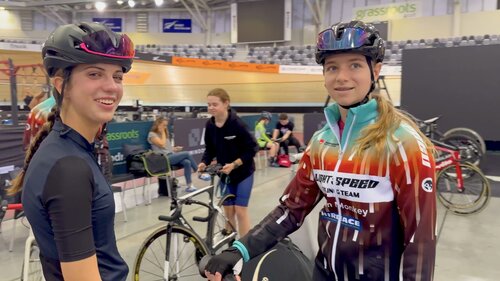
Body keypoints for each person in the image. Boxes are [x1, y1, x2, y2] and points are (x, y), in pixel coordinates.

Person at [205, 20, 436, 281]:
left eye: (355, 65)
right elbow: (291, 209)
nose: (341, 77)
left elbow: (421, 239)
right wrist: (241, 250)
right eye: (332, 67)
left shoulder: (402, 142)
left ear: (376, 70)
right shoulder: (321, 142)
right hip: (324, 273)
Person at [8, 22, 135, 281]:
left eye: (117, 76)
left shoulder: (64, 150)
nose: (112, 86)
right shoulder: (68, 168)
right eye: (94, 74)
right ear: (60, 83)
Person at [198, 88, 259, 237]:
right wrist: (204, 162)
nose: (211, 107)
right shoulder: (210, 125)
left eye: (215, 104)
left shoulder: (237, 124)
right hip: (225, 174)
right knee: (228, 211)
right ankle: (230, 241)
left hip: (243, 173)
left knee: (240, 210)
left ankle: (246, 246)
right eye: (209, 104)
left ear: (226, 103)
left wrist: (234, 164)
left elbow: (252, 148)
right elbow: (210, 149)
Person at [148, 117, 201, 193]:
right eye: (163, 125)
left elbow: (167, 148)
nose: (165, 127)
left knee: (187, 162)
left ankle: (189, 185)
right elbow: (162, 144)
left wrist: (175, 149)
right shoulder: (152, 135)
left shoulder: (164, 135)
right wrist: (163, 132)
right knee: (187, 153)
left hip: (170, 155)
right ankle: (199, 172)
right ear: (158, 124)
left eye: (166, 126)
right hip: (163, 159)